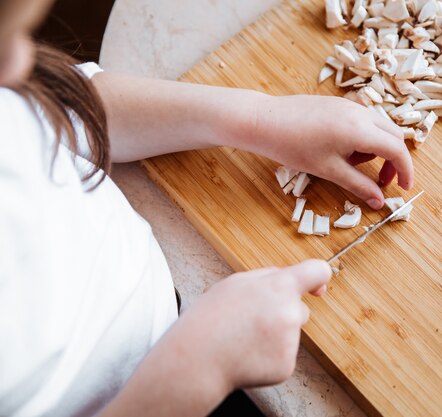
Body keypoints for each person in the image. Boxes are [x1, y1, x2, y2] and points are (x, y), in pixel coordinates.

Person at [0, 0, 414, 415]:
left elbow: (64, 107)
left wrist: (258, 119)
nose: (22, 63)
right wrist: (202, 368)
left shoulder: (10, 79)